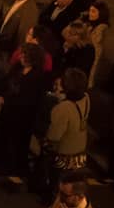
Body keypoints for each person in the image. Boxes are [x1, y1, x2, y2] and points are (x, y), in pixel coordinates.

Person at [0, 43, 50, 176]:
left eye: (25, 54)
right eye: (22, 53)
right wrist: (2, 95)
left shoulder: (38, 76)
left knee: (19, 142)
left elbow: (34, 98)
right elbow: (6, 83)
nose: (22, 57)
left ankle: (16, 167)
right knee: (4, 136)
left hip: (24, 115)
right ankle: (1, 161)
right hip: (9, 110)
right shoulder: (17, 69)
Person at [38, 68, 90, 197]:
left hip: (64, 152)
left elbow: (54, 136)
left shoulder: (63, 108)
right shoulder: (86, 98)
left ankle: (50, 195)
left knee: (55, 177)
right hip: (80, 147)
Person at [85, 2, 111, 88]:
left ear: (101, 14)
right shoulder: (91, 25)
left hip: (94, 57)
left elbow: (92, 42)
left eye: (93, 11)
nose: (90, 13)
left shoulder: (101, 29)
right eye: (90, 11)